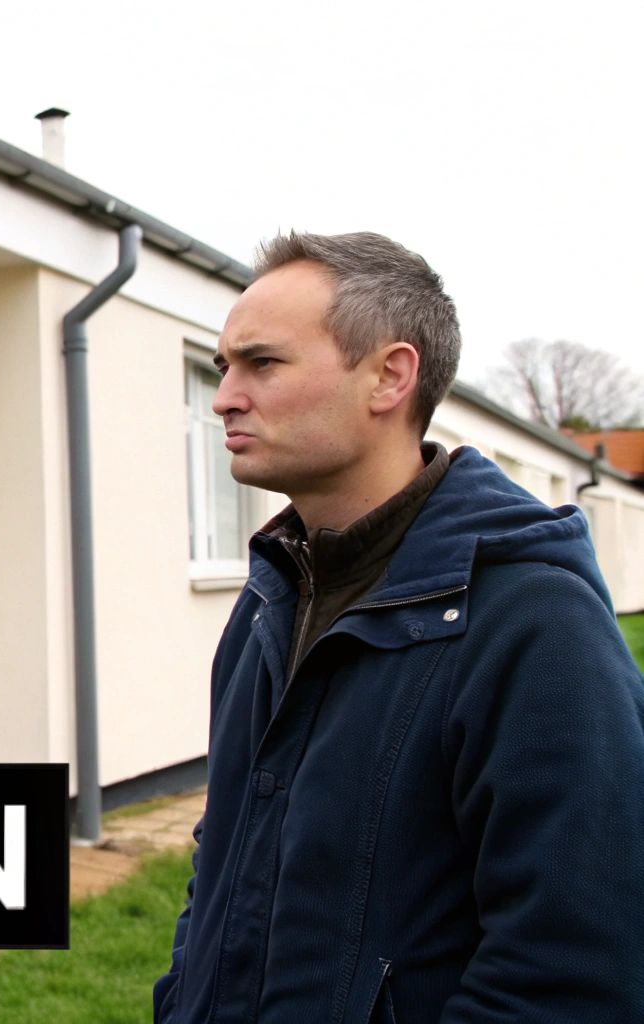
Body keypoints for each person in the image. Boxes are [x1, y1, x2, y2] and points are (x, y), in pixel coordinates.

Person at [154, 231, 644, 1023]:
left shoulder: (533, 623)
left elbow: (571, 973)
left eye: (262, 364)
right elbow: (223, 864)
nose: (223, 397)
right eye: (221, 368)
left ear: (390, 376)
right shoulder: (271, 598)